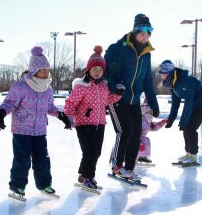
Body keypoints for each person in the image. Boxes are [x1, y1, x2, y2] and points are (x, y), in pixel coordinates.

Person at [0, 46, 71, 198]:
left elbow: (49, 106)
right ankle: (17, 187)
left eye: (48, 70)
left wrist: (61, 115)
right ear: (34, 70)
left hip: (40, 130)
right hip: (22, 130)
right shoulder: (20, 87)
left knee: (43, 159)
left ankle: (44, 185)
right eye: (43, 70)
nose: (46, 73)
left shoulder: (47, 90)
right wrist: (1, 113)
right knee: (22, 160)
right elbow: (10, 103)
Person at [104, 13, 160, 180]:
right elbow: (105, 72)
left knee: (136, 133)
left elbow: (148, 79)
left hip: (134, 100)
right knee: (125, 130)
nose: (145, 37)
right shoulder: (118, 48)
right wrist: (114, 86)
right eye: (142, 33)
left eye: (148, 33)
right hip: (117, 98)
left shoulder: (146, 54)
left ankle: (129, 169)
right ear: (135, 32)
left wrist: (153, 101)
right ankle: (116, 166)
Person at [64, 46, 124, 189]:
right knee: (90, 152)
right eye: (94, 69)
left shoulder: (104, 86)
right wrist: (69, 116)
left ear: (103, 71)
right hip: (84, 124)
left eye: (100, 70)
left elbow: (107, 101)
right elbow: (70, 102)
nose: (97, 72)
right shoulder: (82, 86)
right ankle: (88, 177)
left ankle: (82, 174)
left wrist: (118, 94)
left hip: (100, 123)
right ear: (88, 70)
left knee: (96, 152)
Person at [159, 60, 202, 164]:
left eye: (163, 74)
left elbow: (189, 103)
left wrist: (183, 122)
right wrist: (171, 119)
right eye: (161, 74)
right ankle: (189, 153)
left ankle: (193, 155)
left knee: (190, 127)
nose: (161, 76)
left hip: (201, 104)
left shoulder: (185, 80)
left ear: (169, 73)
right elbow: (175, 104)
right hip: (192, 104)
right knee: (186, 127)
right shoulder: (172, 83)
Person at [137, 99, 168, 164]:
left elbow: (153, 127)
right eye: (150, 111)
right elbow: (135, 131)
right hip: (136, 138)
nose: (151, 113)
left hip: (141, 138)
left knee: (146, 140)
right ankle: (136, 156)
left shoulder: (148, 119)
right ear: (145, 111)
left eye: (152, 111)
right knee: (145, 140)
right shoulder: (141, 119)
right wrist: (139, 142)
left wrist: (162, 122)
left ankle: (142, 156)